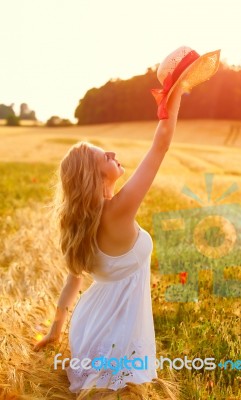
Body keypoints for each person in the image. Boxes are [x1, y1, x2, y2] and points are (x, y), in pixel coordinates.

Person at [33, 83, 184, 399]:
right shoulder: (117, 211)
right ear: (94, 175)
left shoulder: (83, 222)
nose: (113, 154)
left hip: (91, 326)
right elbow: (162, 143)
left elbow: (72, 281)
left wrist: (55, 331)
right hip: (113, 333)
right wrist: (178, 88)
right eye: (105, 157)